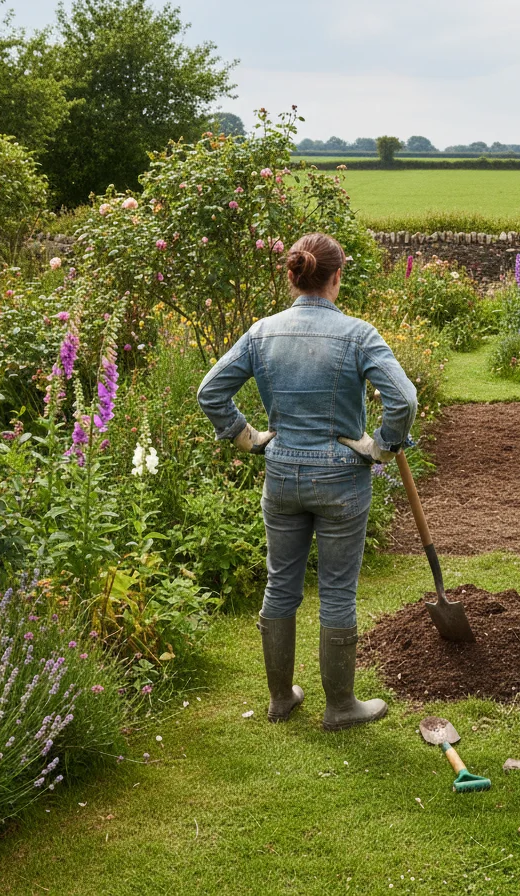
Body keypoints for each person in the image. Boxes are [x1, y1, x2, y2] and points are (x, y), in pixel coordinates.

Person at [197, 232, 418, 730]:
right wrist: (381, 446)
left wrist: (248, 438)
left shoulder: (262, 333)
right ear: (336, 276)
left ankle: (280, 698)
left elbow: (211, 391)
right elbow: (403, 400)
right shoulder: (359, 335)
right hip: (342, 479)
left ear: (294, 275)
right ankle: (340, 706)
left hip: (282, 475)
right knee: (338, 592)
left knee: (281, 584)